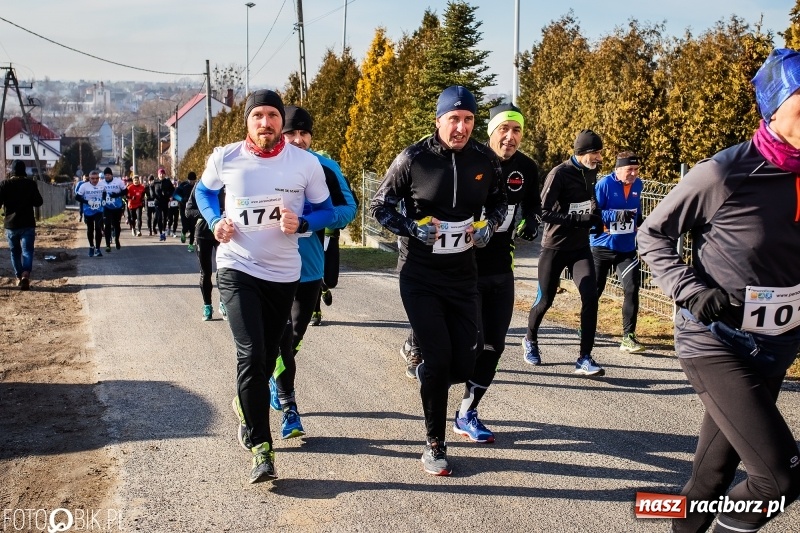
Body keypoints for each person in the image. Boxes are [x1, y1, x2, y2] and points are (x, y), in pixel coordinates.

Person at [637, 48, 800, 533]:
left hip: (776, 344)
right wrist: (689, 290)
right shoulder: (725, 172)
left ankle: (665, 513)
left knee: (710, 478)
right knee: (778, 480)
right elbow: (652, 235)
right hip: (717, 342)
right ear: (774, 108)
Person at [194, 89, 335, 484]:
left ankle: (245, 406)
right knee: (252, 353)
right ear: (248, 122)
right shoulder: (225, 157)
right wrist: (214, 220)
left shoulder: (305, 164)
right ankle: (261, 447)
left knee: (271, 353)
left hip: (283, 273)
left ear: (280, 121)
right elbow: (203, 192)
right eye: (258, 115)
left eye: (272, 115)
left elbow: (325, 210)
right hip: (236, 266)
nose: (266, 123)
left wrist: (304, 223)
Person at [371, 86, 507, 476]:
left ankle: (427, 368)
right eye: (453, 119)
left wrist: (489, 225)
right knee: (439, 356)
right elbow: (380, 205)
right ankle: (434, 442)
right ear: (438, 121)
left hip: (463, 274)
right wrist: (412, 227)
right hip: (420, 275)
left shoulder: (484, 158)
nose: (460, 127)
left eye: (467, 120)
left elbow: (498, 202)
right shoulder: (413, 158)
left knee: (465, 361)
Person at [270, 105, 357, 439]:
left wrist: (312, 219)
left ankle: (274, 379)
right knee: (278, 336)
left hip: (309, 269)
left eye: (304, 133)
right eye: (291, 133)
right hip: (269, 268)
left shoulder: (325, 167)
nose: (298, 139)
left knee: (293, 337)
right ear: (279, 134)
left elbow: (348, 209)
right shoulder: (263, 167)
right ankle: (288, 403)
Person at [522, 129, 605, 376]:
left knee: (590, 297)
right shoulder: (559, 174)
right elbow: (542, 211)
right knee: (546, 300)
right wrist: (576, 220)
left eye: (600, 152)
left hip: (580, 248)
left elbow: (589, 200)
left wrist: (595, 215)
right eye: (596, 153)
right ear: (581, 153)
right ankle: (530, 339)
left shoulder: (591, 171)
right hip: (554, 247)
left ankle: (584, 358)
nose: (599, 157)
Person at [590, 151, 646, 353]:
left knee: (631, 289)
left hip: (626, 248)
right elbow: (595, 213)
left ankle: (628, 337)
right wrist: (621, 216)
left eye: (636, 170)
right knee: (593, 293)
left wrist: (641, 222)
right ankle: (585, 328)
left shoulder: (638, 185)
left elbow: (637, 211)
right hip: (601, 247)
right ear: (618, 169)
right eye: (629, 169)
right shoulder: (604, 184)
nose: (633, 173)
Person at [0, 160, 44, 290]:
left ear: (11, 171)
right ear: (24, 170)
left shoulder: (4, 184)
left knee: (15, 252)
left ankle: (19, 276)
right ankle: (26, 274)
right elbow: (38, 202)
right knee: (28, 251)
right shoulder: (30, 184)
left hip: (11, 224)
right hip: (28, 223)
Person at [185, 183, 225, 320]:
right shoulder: (200, 186)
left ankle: (223, 303)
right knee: (206, 272)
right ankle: (207, 306)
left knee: (224, 271)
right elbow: (188, 211)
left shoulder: (229, 182)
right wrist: (209, 213)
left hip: (224, 233)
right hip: (203, 234)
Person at [75, 170, 106, 257]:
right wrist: (87, 202)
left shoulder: (102, 185)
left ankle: (98, 248)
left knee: (98, 227)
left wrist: (103, 200)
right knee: (90, 228)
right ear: (89, 178)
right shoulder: (84, 186)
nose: (95, 180)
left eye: (96, 178)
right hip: (88, 210)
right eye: (92, 178)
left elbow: (104, 192)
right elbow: (77, 197)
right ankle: (91, 246)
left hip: (99, 209)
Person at [100, 167, 126, 252]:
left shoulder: (118, 181)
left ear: (111, 175)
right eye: (105, 175)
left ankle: (117, 239)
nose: (107, 176)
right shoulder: (101, 183)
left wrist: (117, 195)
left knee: (116, 225)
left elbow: (126, 191)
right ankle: (107, 245)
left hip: (117, 207)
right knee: (107, 225)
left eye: (108, 175)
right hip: (106, 207)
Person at [175, 172, 197, 251]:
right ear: (188, 180)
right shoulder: (183, 185)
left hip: (193, 209)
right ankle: (183, 232)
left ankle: (190, 245)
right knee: (185, 226)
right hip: (183, 208)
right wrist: (182, 199)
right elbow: (175, 195)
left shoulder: (197, 186)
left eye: (193, 181)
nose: (192, 183)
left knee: (192, 227)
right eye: (190, 181)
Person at [154, 167, 174, 241]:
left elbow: (173, 190)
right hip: (158, 202)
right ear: (158, 174)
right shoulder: (155, 182)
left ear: (164, 174)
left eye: (162, 174)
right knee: (159, 218)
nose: (161, 175)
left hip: (165, 202)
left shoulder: (168, 182)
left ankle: (163, 232)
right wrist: (153, 195)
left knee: (165, 218)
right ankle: (161, 233)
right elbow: (151, 189)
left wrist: (171, 196)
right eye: (160, 174)